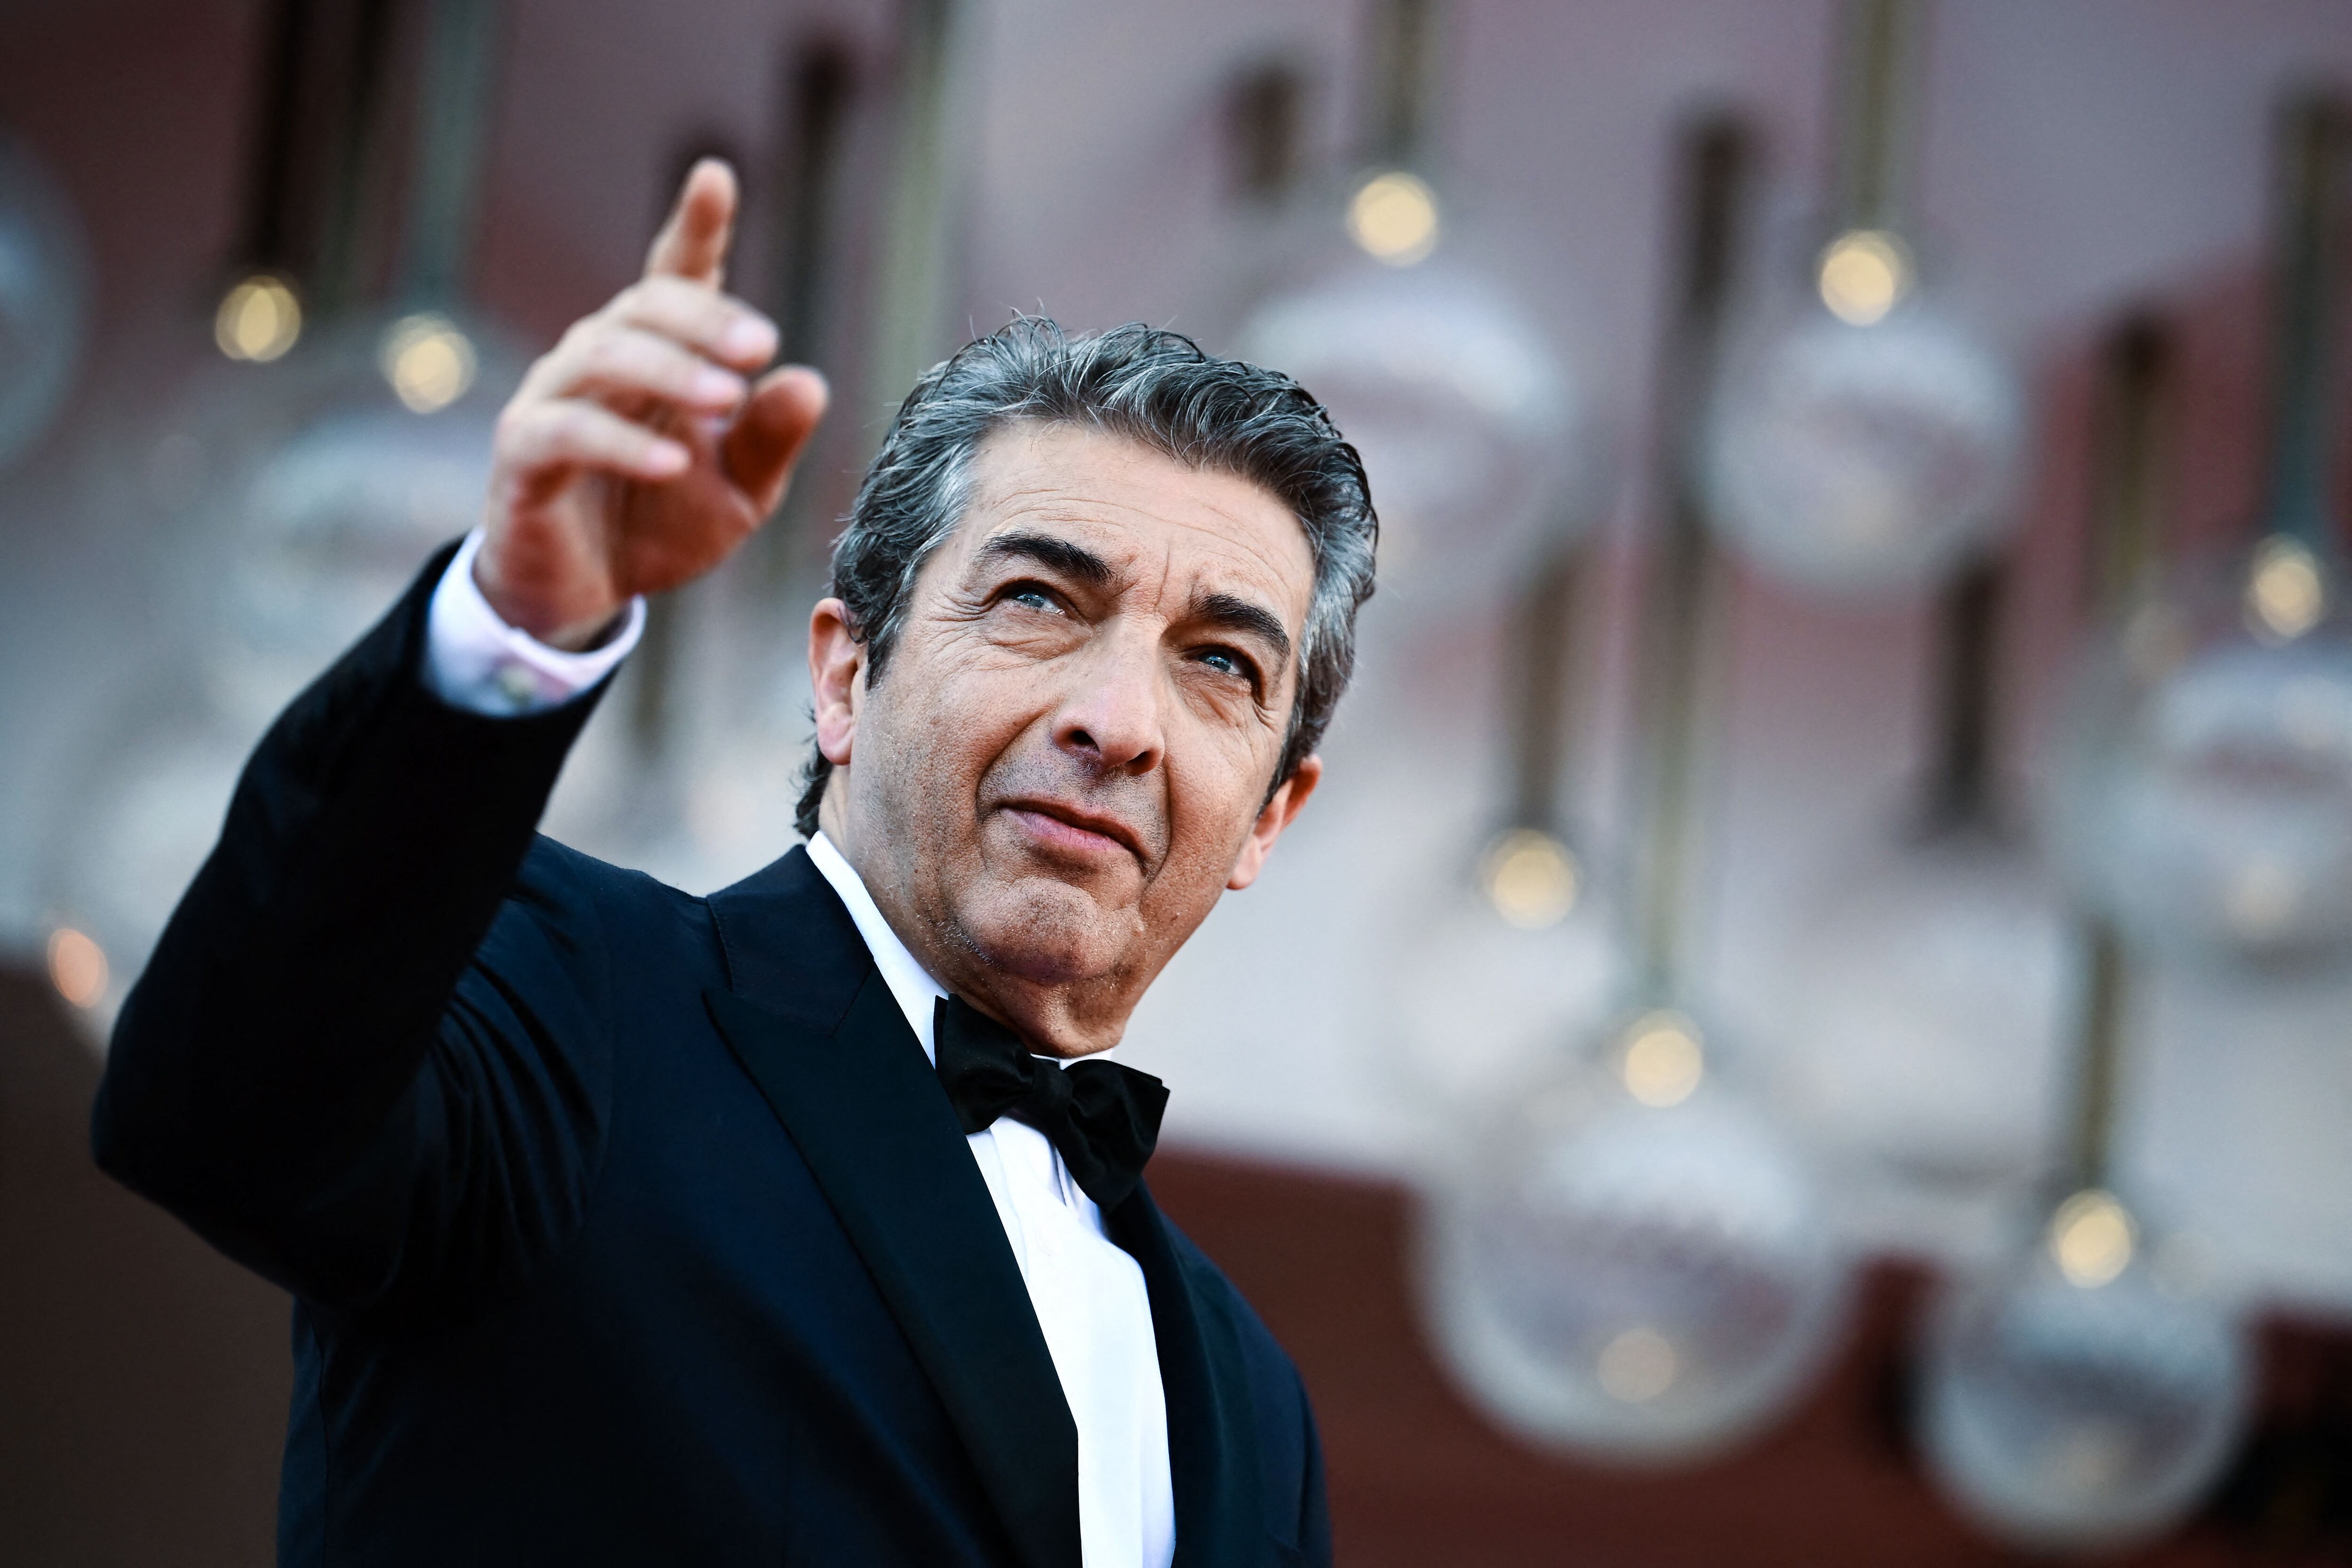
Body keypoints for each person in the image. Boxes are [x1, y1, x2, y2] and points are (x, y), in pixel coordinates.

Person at [92, 159, 1375, 1568]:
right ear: (845, 677)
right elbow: (223, 1113)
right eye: (1035, 600)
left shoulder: (1257, 1405)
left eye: (1218, 663)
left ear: (1269, 814)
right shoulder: (569, 999)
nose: (1118, 722)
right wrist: (513, 628)